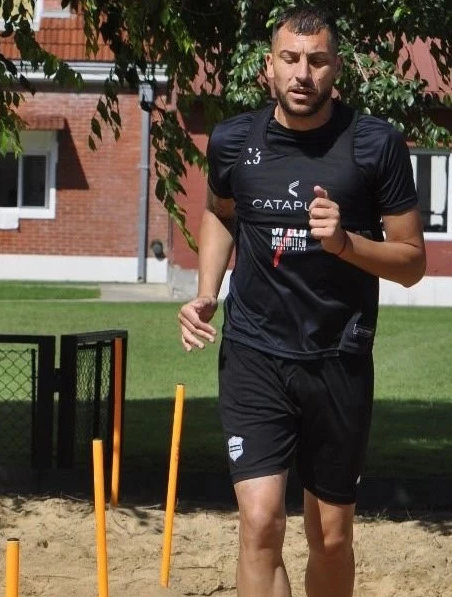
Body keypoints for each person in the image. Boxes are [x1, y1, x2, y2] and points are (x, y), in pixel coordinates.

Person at [177, 5, 426, 597]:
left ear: (337, 68)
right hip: (254, 353)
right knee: (260, 522)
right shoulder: (235, 139)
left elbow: (413, 262)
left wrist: (344, 243)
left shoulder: (375, 144)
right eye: (290, 59)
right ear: (269, 67)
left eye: (316, 60)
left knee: (331, 536)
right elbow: (220, 214)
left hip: (338, 357)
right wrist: (207, 293)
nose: (302, 73)